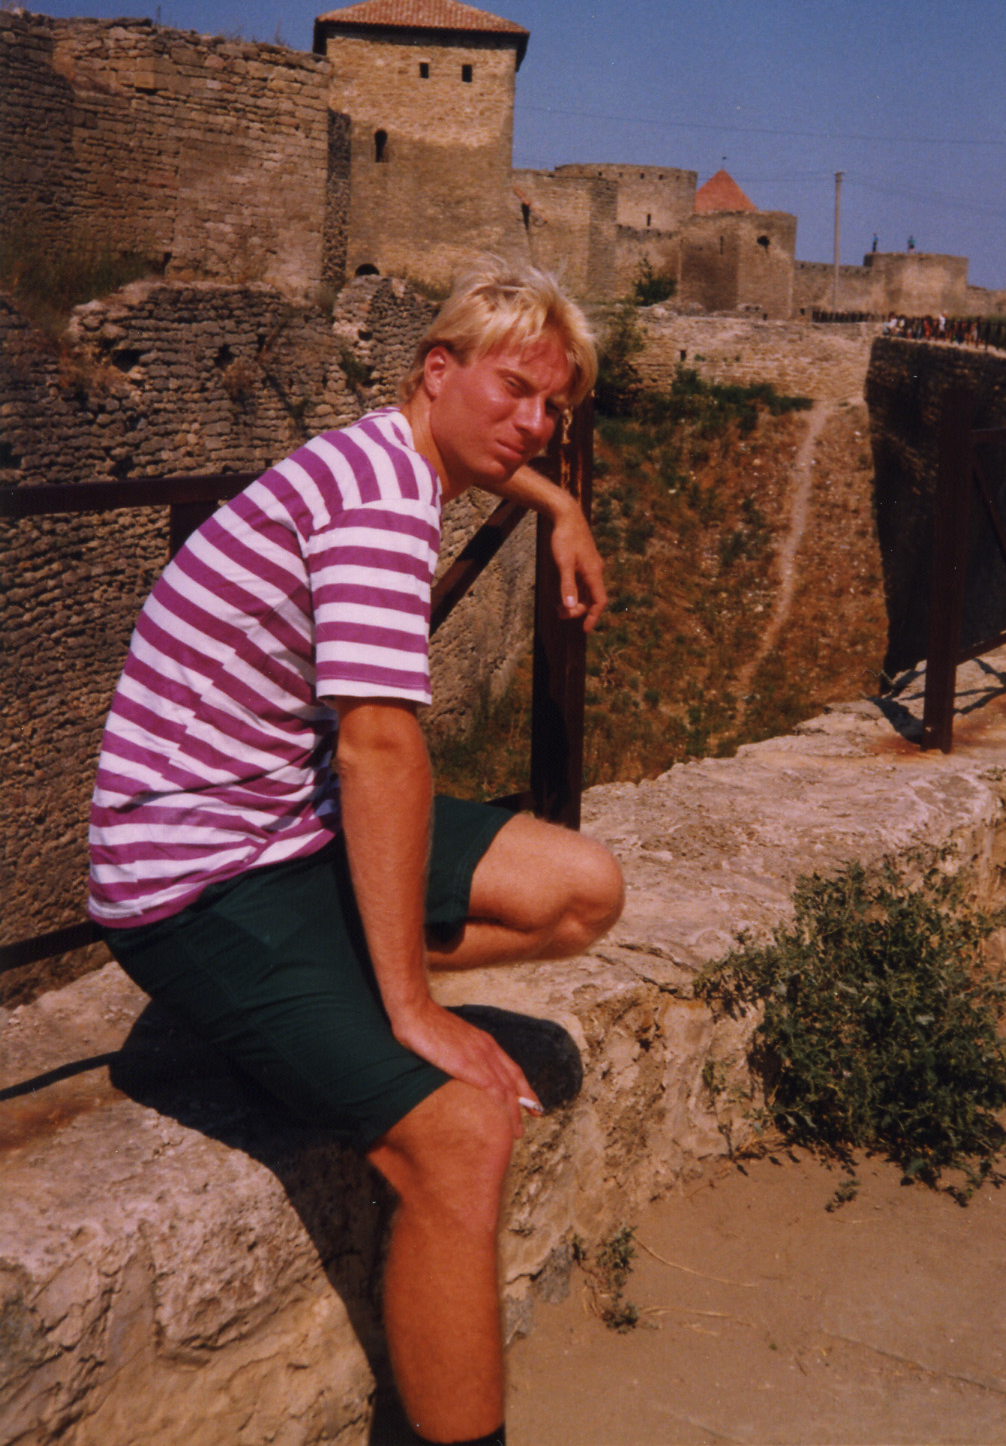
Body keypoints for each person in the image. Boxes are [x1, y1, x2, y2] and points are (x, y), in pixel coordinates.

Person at [88, 263, 625, 1446]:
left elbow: (492, 445)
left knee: (579, 890)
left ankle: (317, 1006)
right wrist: (412, 1009)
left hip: (283, 822)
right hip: (188, 884)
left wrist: (556, 503)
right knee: (463, 1137)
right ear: (436, 370)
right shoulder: (381, 504)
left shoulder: (387, 453)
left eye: (554, 408)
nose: (534, 423)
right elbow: (379, 747)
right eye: (515, 389)